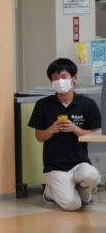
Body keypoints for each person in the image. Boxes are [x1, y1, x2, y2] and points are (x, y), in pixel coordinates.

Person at [28, 58, 101, 211]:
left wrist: (75, 129)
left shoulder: (87, 104)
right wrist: (51, 129)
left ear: (74, 78)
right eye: (55, 78)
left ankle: (82, 195)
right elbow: (39, 137)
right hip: (55, 166)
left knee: (92, 176)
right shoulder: (43, 105)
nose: (59, 81)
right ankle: (50, 192)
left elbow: (95, 134)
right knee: (72, 205)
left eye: (63, 76)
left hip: (80, 163)